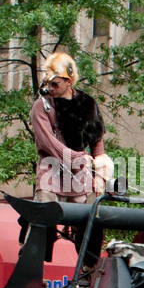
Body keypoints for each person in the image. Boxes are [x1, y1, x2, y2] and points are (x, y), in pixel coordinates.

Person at [31, 51, 111, 203]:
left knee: (88, 221)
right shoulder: (41, 106)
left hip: (80, 178)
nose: (51, 88)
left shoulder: (87, 104)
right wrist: (77, 158)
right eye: (48, 83)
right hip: (50, 175)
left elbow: (96, 140)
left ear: (68, 81)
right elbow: (48, 143)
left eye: (55, 84)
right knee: (42, 221)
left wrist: (99, 175)